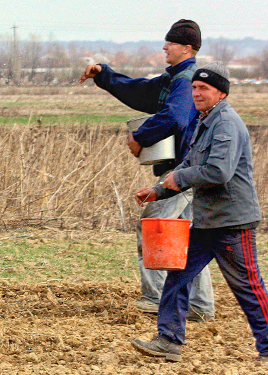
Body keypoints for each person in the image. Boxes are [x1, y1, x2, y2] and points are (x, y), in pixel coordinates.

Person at [132, 62, 268, 364]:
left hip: (232, 222)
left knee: (247, 286)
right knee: (177, 275)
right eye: (194, 88)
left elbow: (219, 172)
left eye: (204, 88)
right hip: (206, 220)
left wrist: (180, 179)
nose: (197, 93)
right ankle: (169, 340)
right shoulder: (204, 120)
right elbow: (188, 166)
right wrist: (159, 189)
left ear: (221, 93)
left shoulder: (226, 123)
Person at [80, 19, 215, 322]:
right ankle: (199, 305)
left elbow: (175, 116)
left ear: (187, 47)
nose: (165, 47)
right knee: (189, 238)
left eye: (170, 43)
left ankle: (155, 298)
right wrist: (105, 76)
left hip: (183, 169)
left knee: (152, 224)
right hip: (192, 167)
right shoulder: (177, 77)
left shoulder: (184, 80)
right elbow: (141, 91)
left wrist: (139, 137)